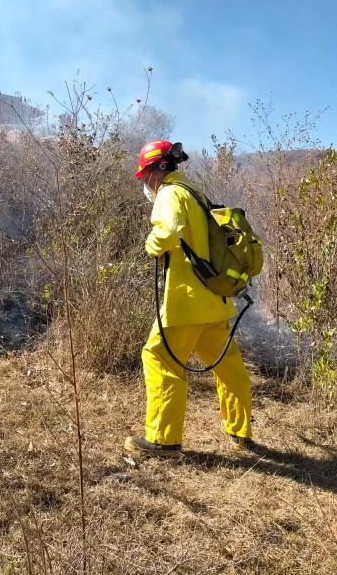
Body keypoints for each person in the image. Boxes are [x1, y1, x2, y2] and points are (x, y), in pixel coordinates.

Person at [124, 139, 254, 456]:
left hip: (185, 304)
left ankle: (163, 441)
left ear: (157, 171)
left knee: (159, 359)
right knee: (230, 369)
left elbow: (167, 232)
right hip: (215, 302)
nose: (144, 183)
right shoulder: (195, 192)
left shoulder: (169, 193)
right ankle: (240, 431)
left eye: (144, 176)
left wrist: (152, 247)